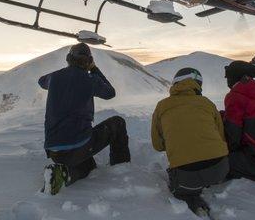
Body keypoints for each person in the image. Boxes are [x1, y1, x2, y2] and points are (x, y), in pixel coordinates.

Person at [39, 43, 131, 195]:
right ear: (88, 61)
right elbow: (110, 92)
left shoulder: (54, 78)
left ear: (69, 59)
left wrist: (64, 73)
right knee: (117, 123)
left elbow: (41, 81)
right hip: (78, 146)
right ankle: (121, 169)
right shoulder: (90, 79)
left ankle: (62, 173)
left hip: (54, 150)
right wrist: (94, 69)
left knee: (89, 166)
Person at [151, 68, 229, 214]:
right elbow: (221, 136)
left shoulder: (162, 106)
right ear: (198, 85)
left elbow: (157, 145)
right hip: (220, 169)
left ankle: (193, 203)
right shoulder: (207, 103)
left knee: (183, 189)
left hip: (186, 175)